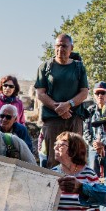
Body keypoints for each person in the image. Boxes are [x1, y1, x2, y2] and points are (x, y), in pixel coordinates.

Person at [35, 34, 89, 168]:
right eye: (57, 45)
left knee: (75, 157)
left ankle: (74, 187)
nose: (60, 49)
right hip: (53, 119)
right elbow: (40, 93)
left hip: (74, 117)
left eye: (64, 46)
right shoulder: (45, 67)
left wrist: (68, 104)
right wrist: (57, 108)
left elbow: (84, 92)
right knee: (54, 158)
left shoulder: (79, 67)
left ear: (71, 47)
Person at [84, 82, 106, 177]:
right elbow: (85, 130)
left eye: (103, 93)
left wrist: (103, 144)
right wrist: (94, 143)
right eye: (97, 93)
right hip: (94, 147)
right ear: (94, 95)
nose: (100, 95)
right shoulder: (90, 111)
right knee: (92, 174)